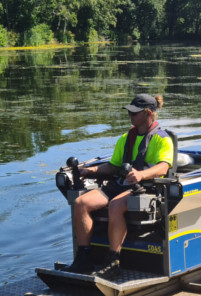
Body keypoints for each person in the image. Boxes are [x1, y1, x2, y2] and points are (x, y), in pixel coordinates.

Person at [69, 93, 174, 279]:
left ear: (148, 113)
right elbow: (113, 166)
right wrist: (90, 171)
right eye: (129, 112)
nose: (130, 116)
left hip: (147, 188)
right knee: (80, 203)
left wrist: (141, 174)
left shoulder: (162, 139)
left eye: (134, 113)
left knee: (116, 205)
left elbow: (163, 167)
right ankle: (83, 258)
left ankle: (113, 262)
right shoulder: (125, 139)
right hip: (121, 185)